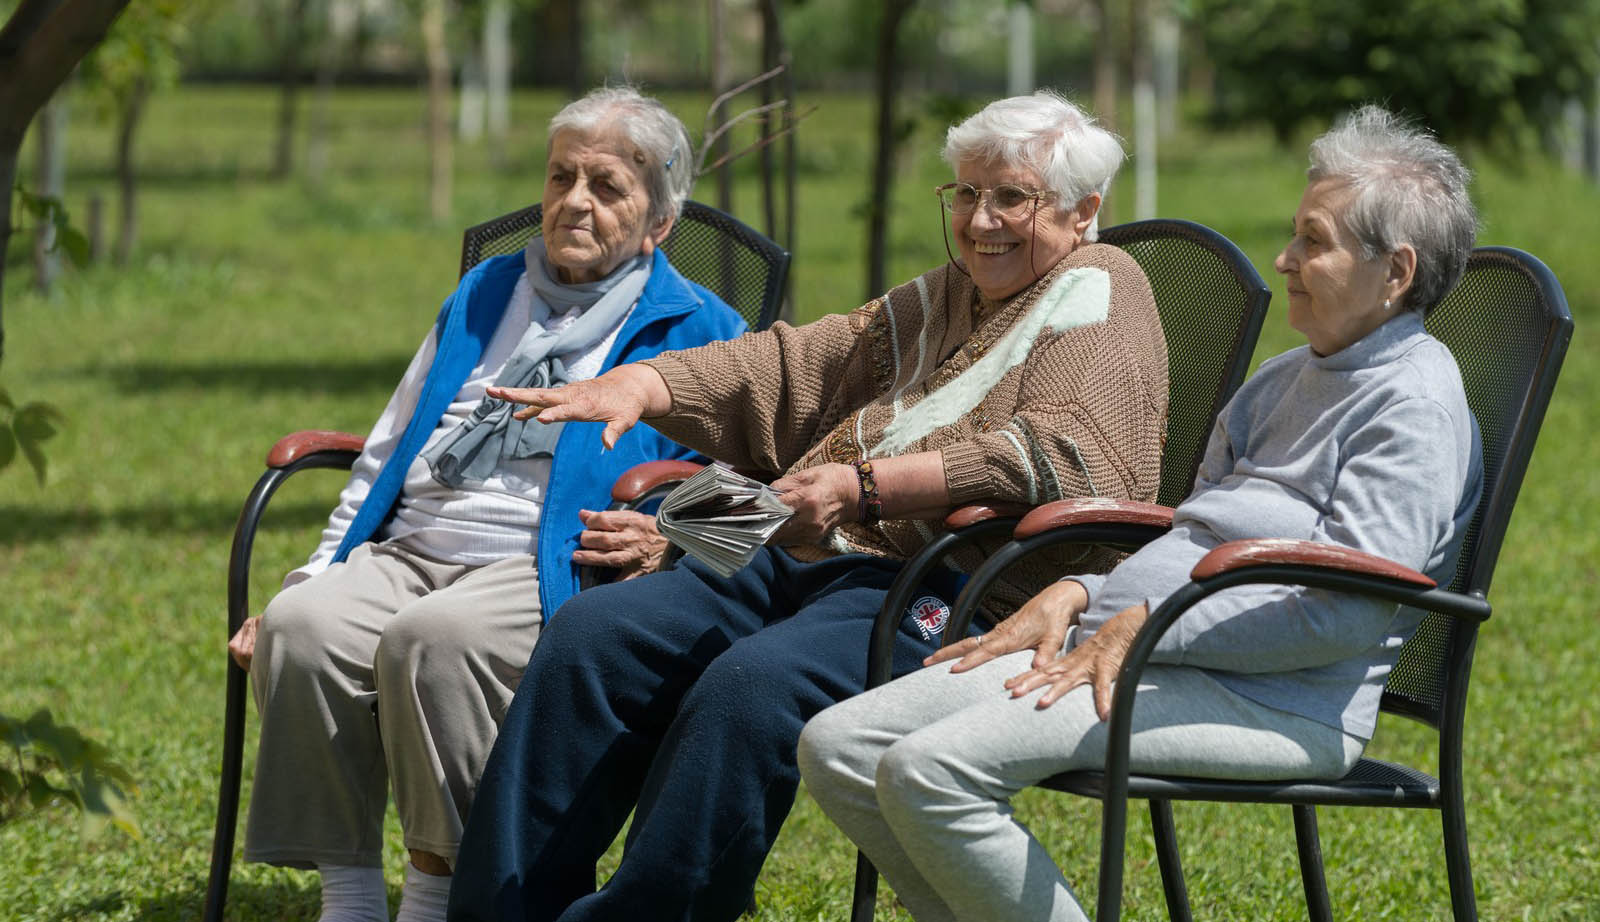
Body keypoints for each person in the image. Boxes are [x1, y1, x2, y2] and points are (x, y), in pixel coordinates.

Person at [447, 91, 1169, 922]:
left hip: (955, 586)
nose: (981, 220)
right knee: (591, 637)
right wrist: (643, 384)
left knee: (750, 688)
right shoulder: (944, 294)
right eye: (966, 194)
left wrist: (866, 487)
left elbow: (1070, 452)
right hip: (797, 552)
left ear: (1084, 211)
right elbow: (799, 365)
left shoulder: (1101, 283)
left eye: (1011, 197)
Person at [796, 105, 1485, 922]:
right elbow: (1191, 528)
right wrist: (1085, 593)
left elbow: (1348, 608)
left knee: (930, 770)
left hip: (1277, 699)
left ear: (1395, 271)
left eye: (1314, 241)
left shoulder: (1412, 407)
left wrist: (1151, 627)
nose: (1286, 258)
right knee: (839, 746)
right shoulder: (1287, 376)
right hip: (1143, 649)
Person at [224, 87, 747, 922]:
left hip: (545, 566)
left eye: (607, 186)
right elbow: (390, 447)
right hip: (414, 545)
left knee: (435, 641)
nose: (574, 201)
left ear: (659, 224)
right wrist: (312, 575)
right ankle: (351, 898)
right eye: (560, 177)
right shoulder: (483, 293)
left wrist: (667, 533)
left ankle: (436, 897)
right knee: (303, 629)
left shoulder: (703, 326)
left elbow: (755, 488)